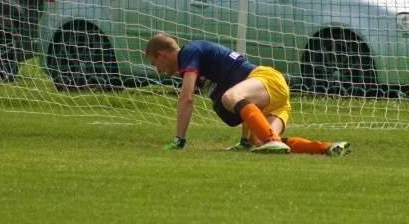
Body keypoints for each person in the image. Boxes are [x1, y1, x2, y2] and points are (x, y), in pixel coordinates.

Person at [145, 33, 351, 156]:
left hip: (267, 79)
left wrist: (179, 139)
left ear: (162, 54)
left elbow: (186, 97)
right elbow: (244, 99)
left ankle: (271, 139)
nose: (158, 71)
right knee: (262, 143)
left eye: (156, 64)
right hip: (274, 99)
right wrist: (245, 141)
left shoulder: (189, 52)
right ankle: (328, 147)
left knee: (229, 97)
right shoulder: (196, 61)